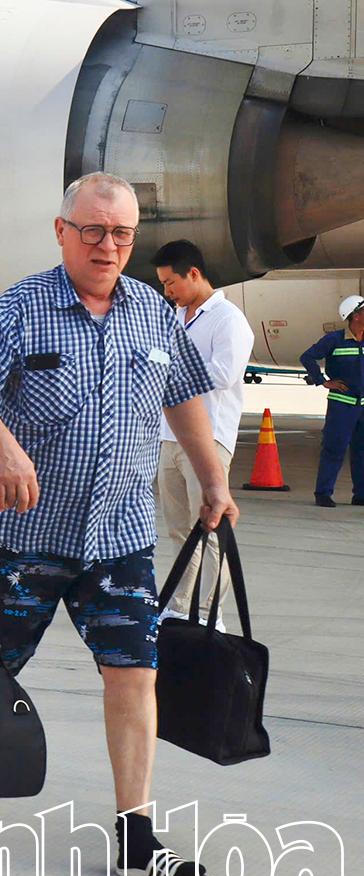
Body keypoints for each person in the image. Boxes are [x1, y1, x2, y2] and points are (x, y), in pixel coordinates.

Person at [0, 173, 238, 876]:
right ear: (62, 230)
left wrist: (214, 481)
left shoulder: (153, 314)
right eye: (94, 230)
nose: (108, 245)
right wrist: (4, 447)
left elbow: (187, 395)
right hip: (25, 537)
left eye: (122, 234)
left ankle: (137, 832)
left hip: (119, 538)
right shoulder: (21, 306)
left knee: (136, 672)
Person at [151, 240, 254, 627]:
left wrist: (172, 375)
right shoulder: (175, 318)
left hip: (207, 439)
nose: (167, 292)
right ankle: (181, 604)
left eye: (171, 283)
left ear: (193, 274)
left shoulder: (228, 319)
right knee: (180, 530)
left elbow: (225, 373)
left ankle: (212, 613)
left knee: (211, 530)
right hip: (168, 436)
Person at [300, 295, 364, 507]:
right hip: (342, 404)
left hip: (362, 405)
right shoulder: (335, 339)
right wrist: (323, 381)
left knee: (361, 451)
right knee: (334, 448)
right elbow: (307, 357)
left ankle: (360, 495)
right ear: (355, 316)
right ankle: (323, 493)